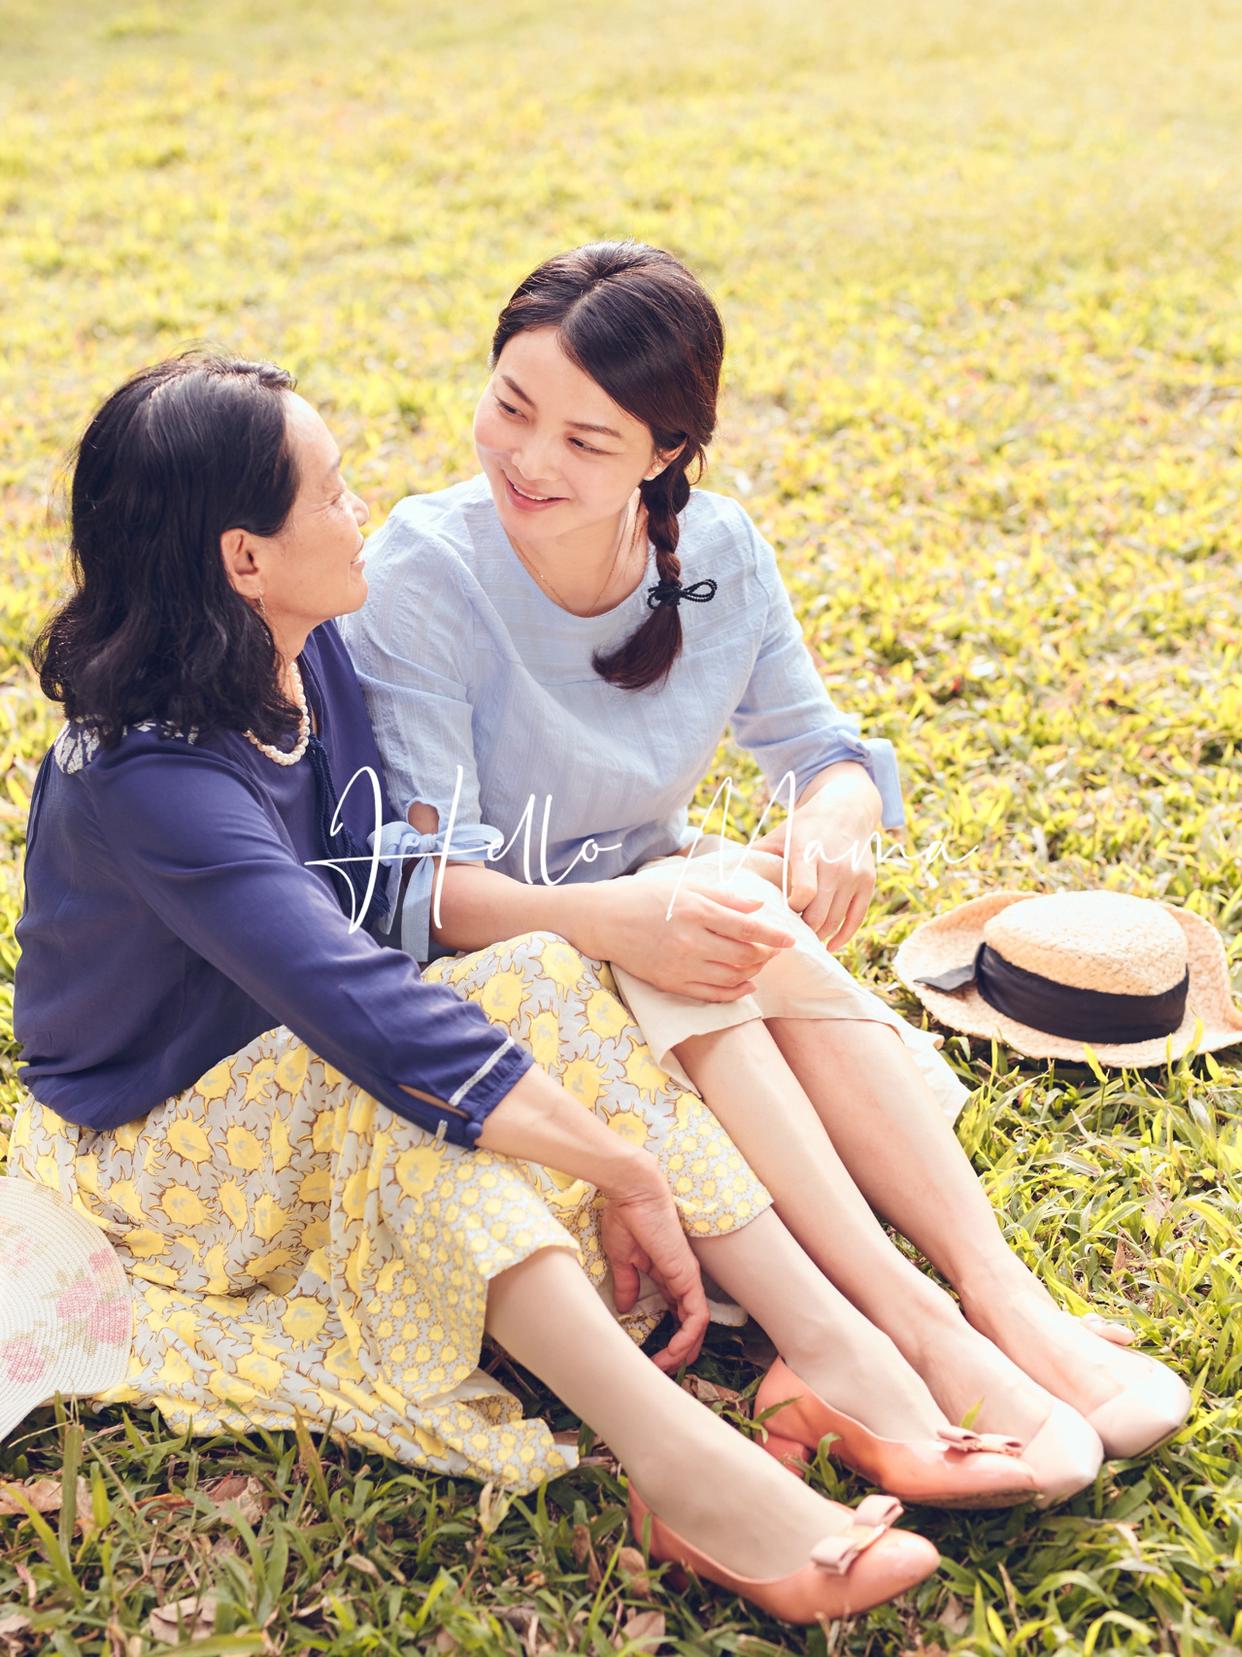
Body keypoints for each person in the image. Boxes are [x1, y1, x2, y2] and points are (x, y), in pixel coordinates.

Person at [6, 351, 945, 1625]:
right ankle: (686, 1471)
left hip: (298, 1056)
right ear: (244, 558)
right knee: (409, 1107)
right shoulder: (149, 783)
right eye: (332, 492)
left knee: (546, 970)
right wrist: (624, 1167)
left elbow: (418, 890)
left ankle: (831, 1351)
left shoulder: (306, 650)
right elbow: (365, 1008)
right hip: (150, 1142)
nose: (362, 508)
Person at [340, 240, 1191, 1481]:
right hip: (509, 955)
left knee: (726, 907)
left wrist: (836, 814)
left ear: (665, 453)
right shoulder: (426, 569)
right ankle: (914, 1327)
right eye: (512, 407)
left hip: (667, 920)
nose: (529, 458)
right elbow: (420, 894)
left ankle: (997, 1296)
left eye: (588, 440)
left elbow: (819, 749)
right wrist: (618, 915)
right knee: (700, 917)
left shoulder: (717, 550)